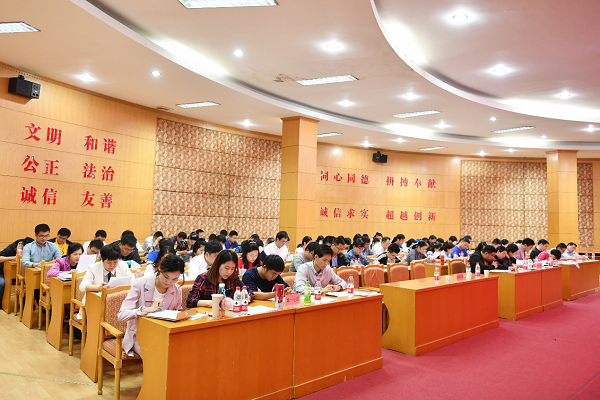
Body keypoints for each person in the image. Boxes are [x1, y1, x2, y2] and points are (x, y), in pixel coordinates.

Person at [118, 254, 184, 357]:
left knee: (183, 350)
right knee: (158, 353)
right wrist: (148, 309)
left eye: (174, 279)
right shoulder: (140, 284)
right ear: (159, 268)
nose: (169, 282)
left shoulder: (177, 289)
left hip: (164, 334)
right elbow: (122, 315)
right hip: (141, 335)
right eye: (166, 277)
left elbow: (178, 313)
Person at [79, 244, 133, 318]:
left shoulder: (123, 265)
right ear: (102, 259)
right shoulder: (93, 267)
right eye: (109, 262)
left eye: (115, 262)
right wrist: (98, 288)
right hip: (97, 303)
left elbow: (133, 281)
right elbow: (82, 286)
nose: (112, 265)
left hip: (117, 302)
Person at [186, 250, 254, 308]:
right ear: (218, 264)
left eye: (232, 269)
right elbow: (190, 301)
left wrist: (246, 296)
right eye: (226, 268)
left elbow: (250, 292)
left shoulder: (233, 278)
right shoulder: (203, 278)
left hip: (230, 314)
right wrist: (212, 303)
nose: (229, 272)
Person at [0, 237, 34, 306]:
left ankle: (26, 304)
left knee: (30, 283)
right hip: (3, 272)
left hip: (23, 275)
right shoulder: (13, 247)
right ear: (21, 245)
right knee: (1, 283)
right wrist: (13, 258)